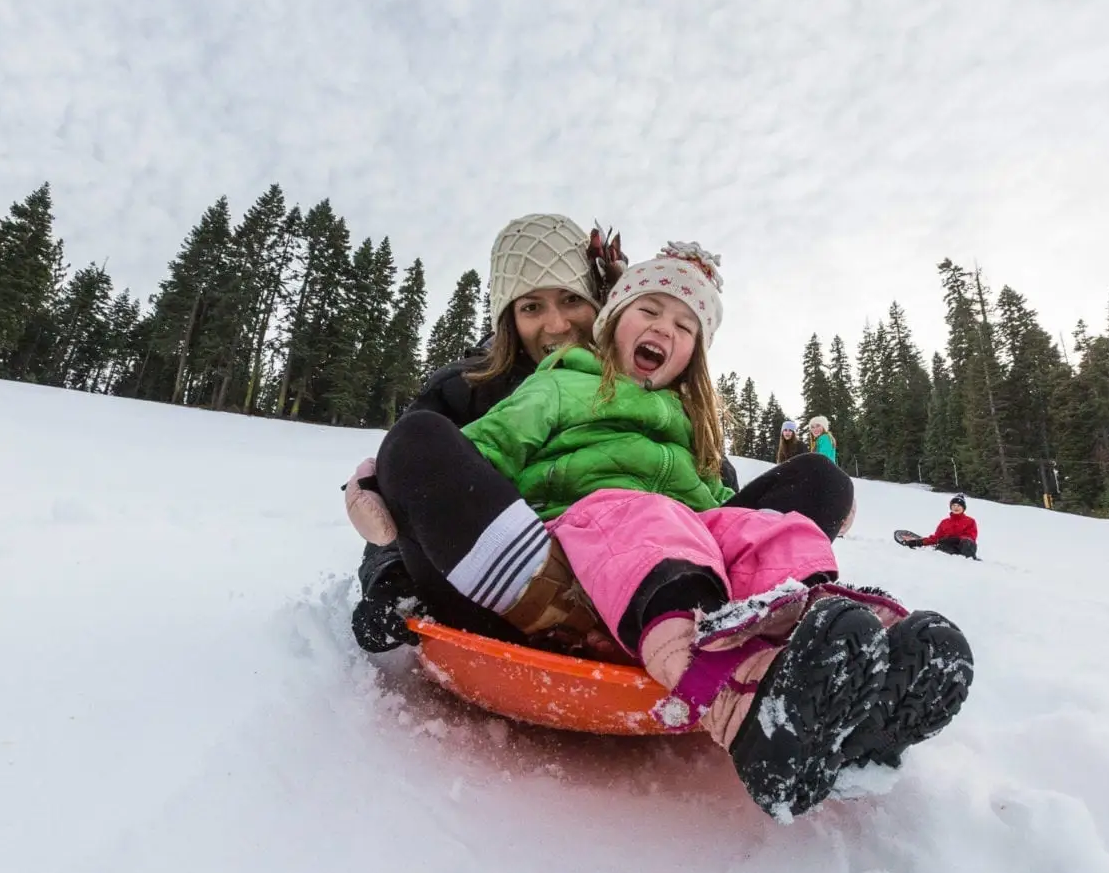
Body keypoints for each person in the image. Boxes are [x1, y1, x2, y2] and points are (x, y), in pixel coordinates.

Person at [363, 243, 973, 820]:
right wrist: (392, 487)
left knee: (767, 521)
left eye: (685, 327)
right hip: (564, 559)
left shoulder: (687, 424)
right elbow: (483, 449)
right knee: (423, 440)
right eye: (649, 310)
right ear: (611, 324)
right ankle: (730, 694)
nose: (665, 329)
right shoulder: (559, 383)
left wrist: (769, 524)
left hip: (671, 555)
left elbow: (718, 510)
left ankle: (833, 664)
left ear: (694, 356)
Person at [349, 217, 854, 653]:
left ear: (603, 306)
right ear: (507, 318)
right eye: (531, 308)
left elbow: (711, 489)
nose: (556, 322)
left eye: (571, 299)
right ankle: (571, 611)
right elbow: (417, 485)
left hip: (662, 570)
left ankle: (742, 616)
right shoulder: (470, 389)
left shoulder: (668, 401)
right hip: (518, 575)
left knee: (816, 479)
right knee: (420, 439)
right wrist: (390, 576)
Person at [905, 493, 979, 558]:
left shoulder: (970, 521)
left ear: (963, 508)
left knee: (967, 542)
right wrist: (919, 542)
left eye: (959, 506)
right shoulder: (944, 522)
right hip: (950, 549)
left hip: (964, 547)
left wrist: (957, 539)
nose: (956, 508)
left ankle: (971, 561)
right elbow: (936, 538)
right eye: (954, 505)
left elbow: (971, 536)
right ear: (951, 507)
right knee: (942, 546)